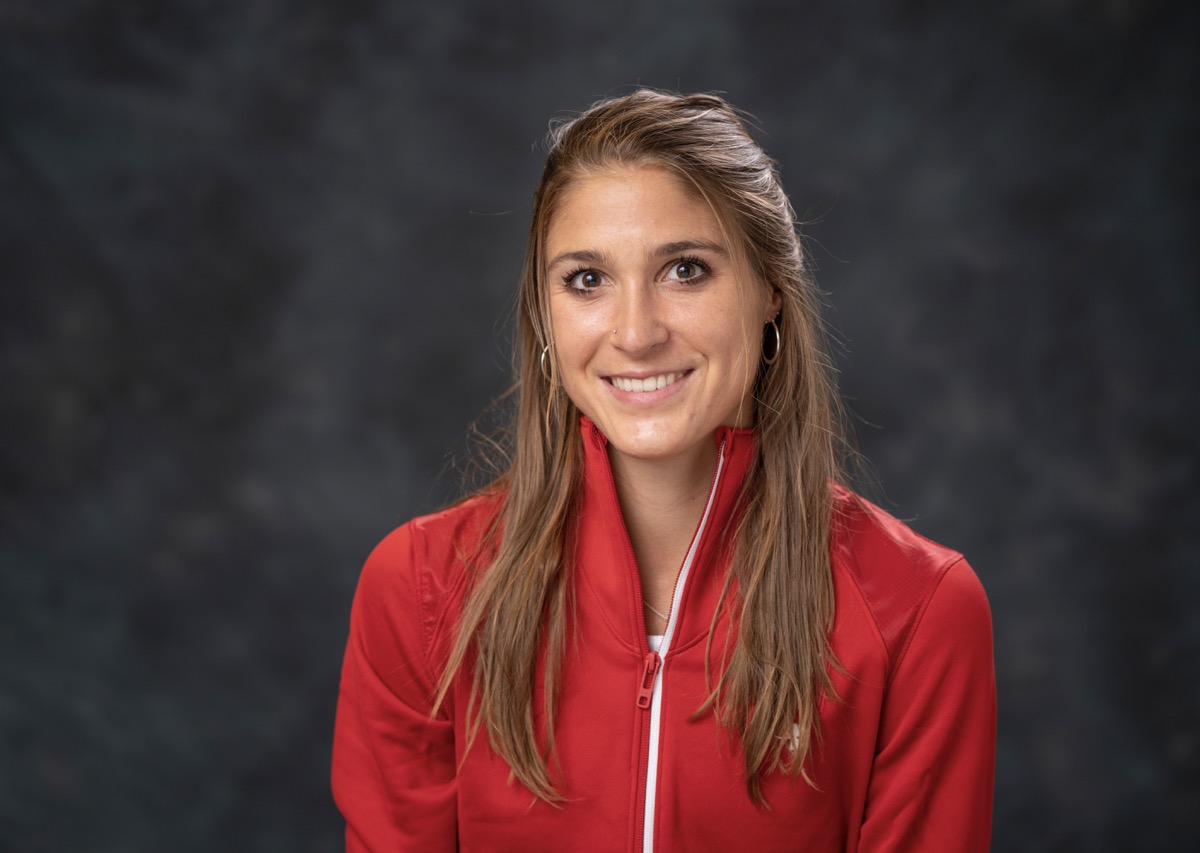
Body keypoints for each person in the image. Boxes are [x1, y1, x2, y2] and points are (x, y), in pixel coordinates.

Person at [332, 89, 996, 852]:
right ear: (545, 314)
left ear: (771, 291)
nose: (636, 332)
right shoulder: (421, 592)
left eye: (685, 269)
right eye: (587, 279)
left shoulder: (918, 615)